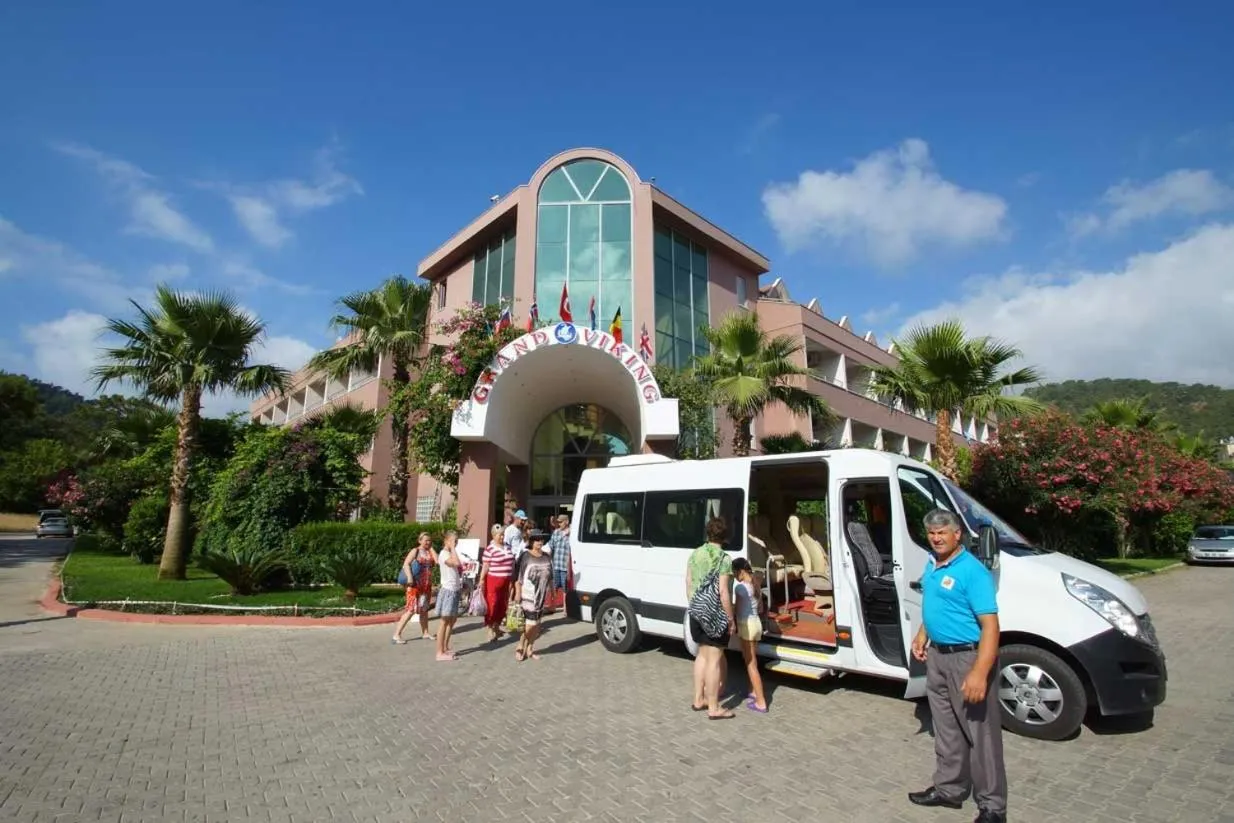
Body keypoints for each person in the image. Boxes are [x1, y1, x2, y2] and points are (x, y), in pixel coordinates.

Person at [908, 509, 1007, 823]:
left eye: (942, 533)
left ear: (957, 534)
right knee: (946, 729)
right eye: (932, 533)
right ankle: (949, 790)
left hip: (967, 659)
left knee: (981, 736)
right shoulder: (932, 563)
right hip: (937, 657)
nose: (936, 538)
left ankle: (992, 808)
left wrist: (979, 673)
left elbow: (990, 627)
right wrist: (923, 634)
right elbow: (936, 604)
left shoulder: (972, 571)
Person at [686, 517, 736, 720]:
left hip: (696, 611)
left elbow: (688, 582)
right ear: (725, 536)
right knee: (714, 660)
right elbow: (723, 591)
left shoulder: (695, 554)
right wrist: (730, 618)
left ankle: (698, 699)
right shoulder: (724, 559)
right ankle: (714, 708)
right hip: (715, 615)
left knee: (702, 656)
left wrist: (696, 606)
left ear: (708, 533)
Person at [731, 557, 768, 713]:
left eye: (734, 573)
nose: (734, 576)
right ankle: (752, 691)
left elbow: (737, 609)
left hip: (746, 625)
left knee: (750, 664)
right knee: (752, 661)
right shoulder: (755, 584)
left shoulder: (740, 588)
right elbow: (760, 608)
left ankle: (761, 702)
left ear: (741, 572)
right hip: (756, 623)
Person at [513, 535, 553, 661]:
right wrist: (517, 592)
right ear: (531, 542)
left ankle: (530, 648)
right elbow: (517, 576)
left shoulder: (546, 556)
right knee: (530, 624)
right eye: (537, 540)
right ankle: (520, 645)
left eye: (541, 540)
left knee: (537, 625)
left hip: (541, 595)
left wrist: (552, 591)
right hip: (528, 595)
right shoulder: (525, 556)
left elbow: (550, 575)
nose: (540, 542)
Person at [392, 532, 437, 644]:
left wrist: (432, 549)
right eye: (426, 540)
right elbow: (406, 564)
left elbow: (437, 561)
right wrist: (410, 578)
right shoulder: (415, 551)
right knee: (410, 610)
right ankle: (397, 634)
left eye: (430, 540)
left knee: (424, 610)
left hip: (426, 586)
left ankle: (425, 632)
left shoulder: (429, 552)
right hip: (414, 585)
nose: (428, 542)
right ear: (420, 541)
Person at [479, 523, 516, 642]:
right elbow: (485, 566)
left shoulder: (507, 547)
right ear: (493, 535)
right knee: (492, 604)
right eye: (500, 535)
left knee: (502, 604)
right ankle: (490, 629)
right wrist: (481, 579)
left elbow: (512, 563)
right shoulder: (490, 549)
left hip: (506, 580)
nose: (502, 537)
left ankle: (497, 626)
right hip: (493, 580)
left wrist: (512, 577)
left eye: (503, 535)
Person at [434, 530, 463, 661]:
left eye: (456, 541)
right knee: (444, 621)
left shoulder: (450, 553)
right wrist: (452, 548)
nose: (455, 543)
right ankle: (439, 652)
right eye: (453, 541)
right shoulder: (443, 553)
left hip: (455, 589)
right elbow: (456, 563)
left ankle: (445, 647)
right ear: (446, 541)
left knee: (452, 620)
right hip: (448, 590)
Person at [548, 514, 571, 614]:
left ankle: (566, 608)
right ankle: (553, 605)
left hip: (565, 565)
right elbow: (550, 545)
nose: (559, 523)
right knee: (555, 586)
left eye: (561, 522)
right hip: (556, 564)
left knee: (565, 588)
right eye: (558, 522)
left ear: (567, 522)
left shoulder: (572, 533)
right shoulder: (556, 532)